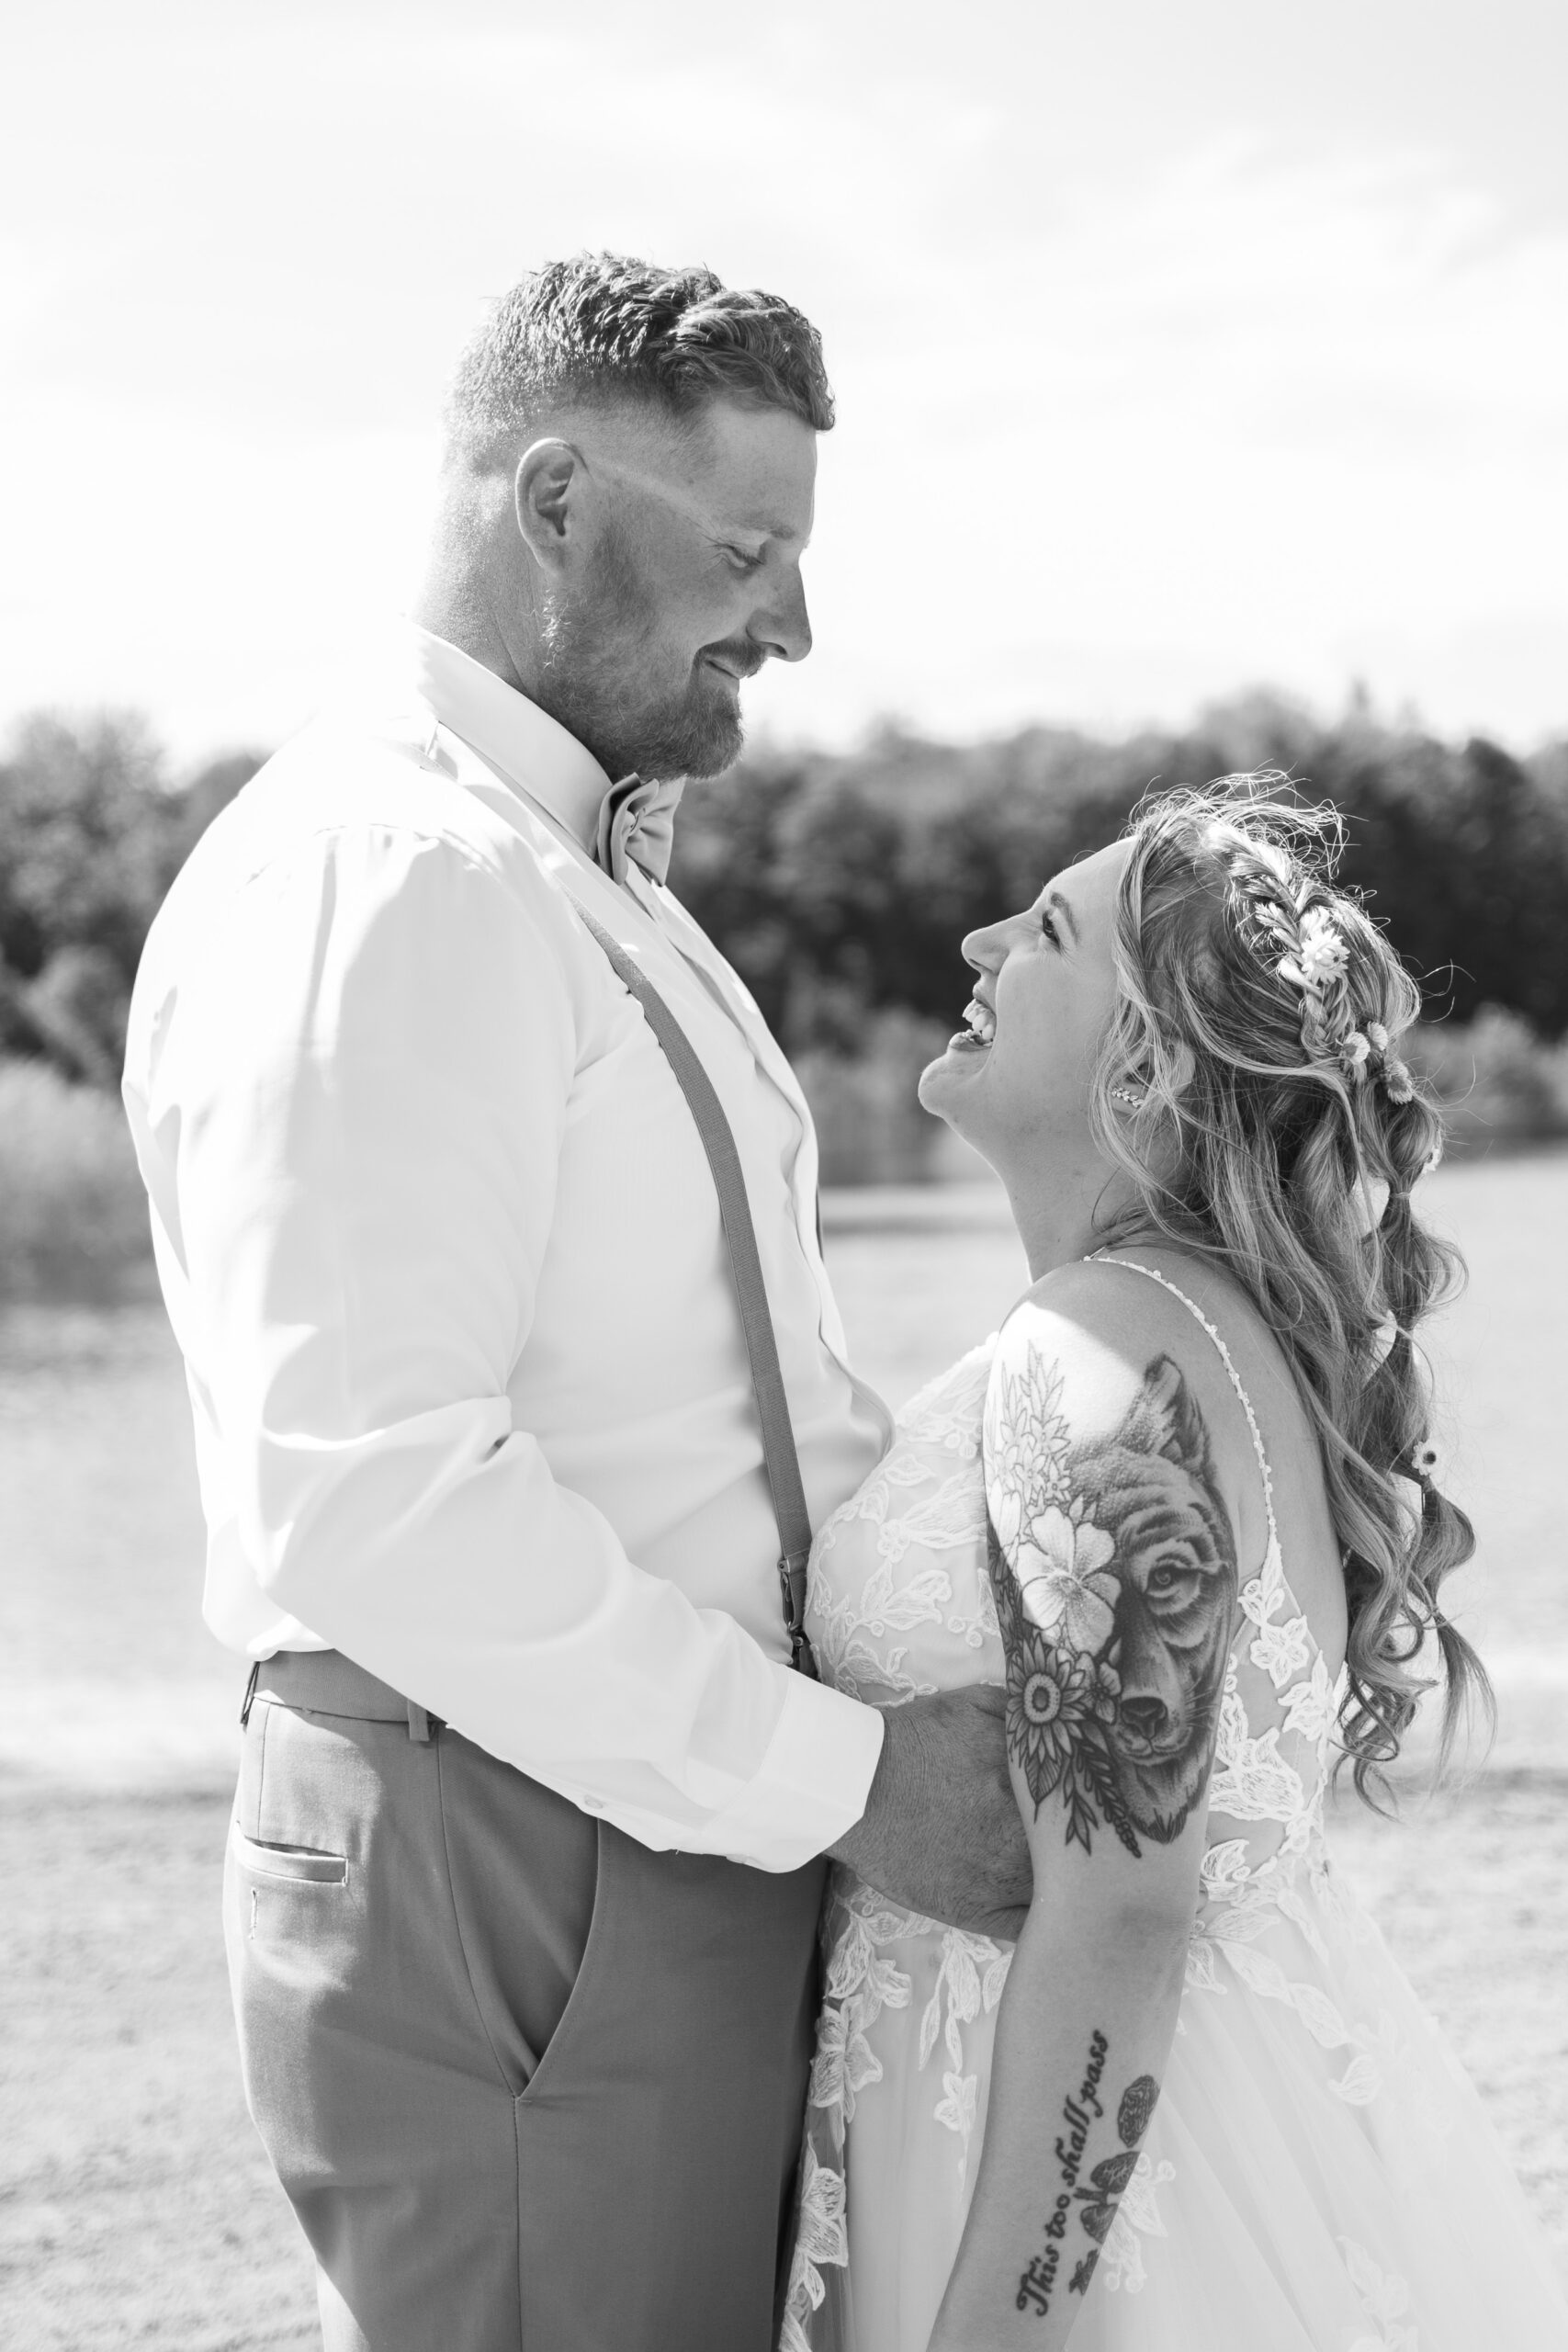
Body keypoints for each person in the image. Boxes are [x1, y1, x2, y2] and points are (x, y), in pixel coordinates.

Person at [120, 254, 1029, 2352]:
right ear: (549, 503)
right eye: (743, 549)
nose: (789, 623)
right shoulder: (393, 878)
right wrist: (851, 1780)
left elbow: (717, 1407)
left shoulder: (561, 871)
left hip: (634, 1818)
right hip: (521, 1847)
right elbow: (373, 1492)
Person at [783, 780, 1568, 2350]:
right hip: (1223, 2119)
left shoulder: (1087, 1357)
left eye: (1049, 930)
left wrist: (994, 2332)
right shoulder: (1211, 1329)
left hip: (1085, 2184)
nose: (982, 936)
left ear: (1142, 1058)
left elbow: (1123, 1904)